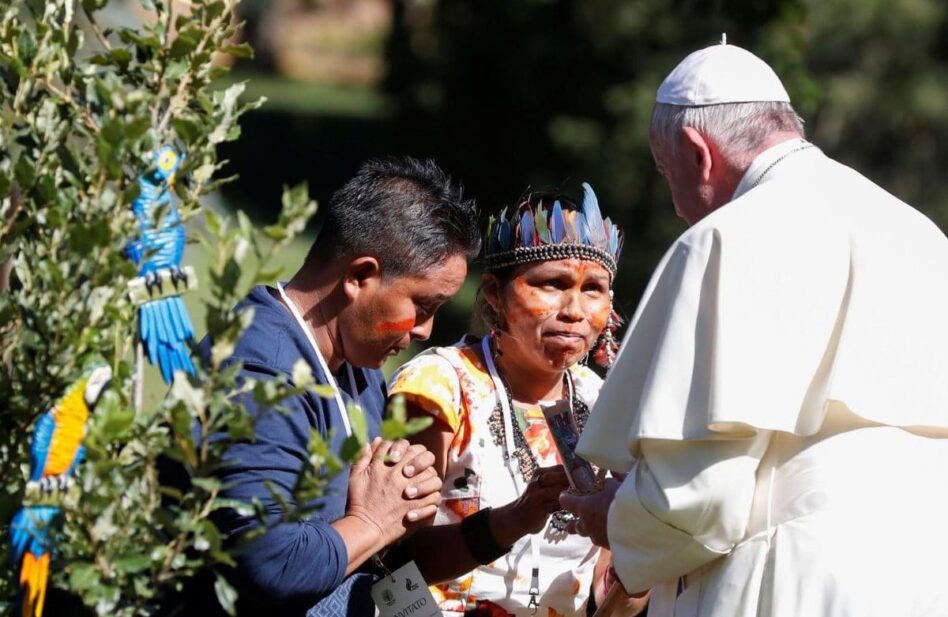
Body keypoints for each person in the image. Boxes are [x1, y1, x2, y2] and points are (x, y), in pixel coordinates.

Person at [560, 41, 948, 616]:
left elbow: (698, 502)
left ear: (698, 154)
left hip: (799, 578)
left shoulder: (725, 239)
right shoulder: (922, 235)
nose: (677, 207)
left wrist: (617, 520)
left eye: (669, 176)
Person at [197, 157, 481, 615]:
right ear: (359, 277)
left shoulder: (356, 363)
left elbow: (381, 559)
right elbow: (269, 563)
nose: (426, 331)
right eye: (423, 306)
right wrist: (373, 521)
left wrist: (411, 508)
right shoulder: (259, 374)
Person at [388, 185, 646, 616]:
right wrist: (511, 521)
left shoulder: (601, 400)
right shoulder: (434, 388)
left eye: (593, 289)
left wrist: (635, 566)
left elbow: (611, 594)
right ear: (493, 293)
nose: (574, 310)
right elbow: (392, 560)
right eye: (553, 283)